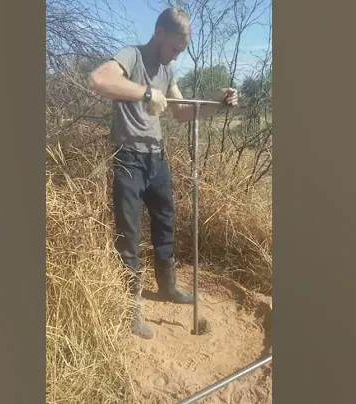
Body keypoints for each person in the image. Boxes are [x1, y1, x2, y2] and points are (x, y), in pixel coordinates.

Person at [88, 6, 239, 339]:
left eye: (180, 52)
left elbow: (183, 112)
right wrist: (144, 92)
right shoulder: (132, 55)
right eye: (173, 49)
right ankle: (132, 308)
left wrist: (216, 102)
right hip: (128, 158)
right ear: (159, 34)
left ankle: (167, 286)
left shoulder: (168, 71)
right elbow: (99, 79)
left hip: (157, 159)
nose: (174, 57)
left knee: (166, 224)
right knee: (129, 235)